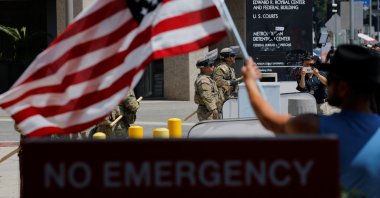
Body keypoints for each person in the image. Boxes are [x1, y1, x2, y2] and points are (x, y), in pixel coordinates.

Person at [241, 44, 380, 197]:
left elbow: (269, 120)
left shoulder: (315, 127)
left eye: (331, 78)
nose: (329, 84)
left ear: (342, 88)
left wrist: (250, 82)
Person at [194, 56, 222, 121]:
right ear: (204, 68)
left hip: (209, 109)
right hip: (207, 112)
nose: (213, 66)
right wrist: (214, 109)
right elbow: (207, 96)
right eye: (211, 65)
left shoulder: (207, 78)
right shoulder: (204, 80)